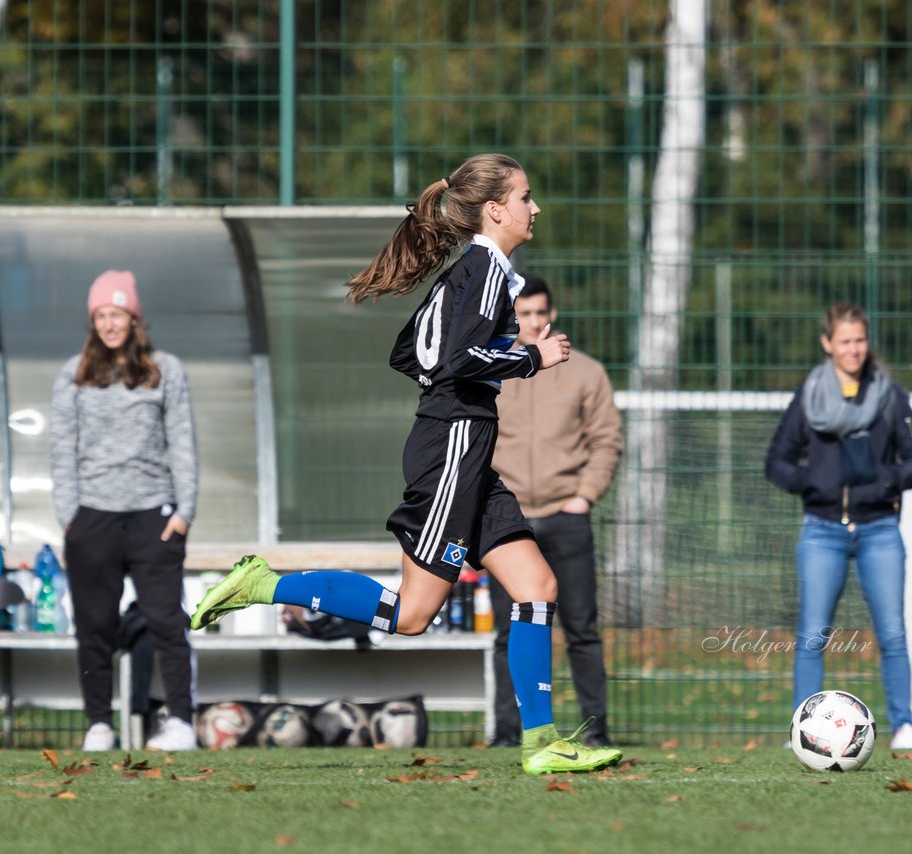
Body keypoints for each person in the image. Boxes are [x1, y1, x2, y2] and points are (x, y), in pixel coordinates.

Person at [190, 153, 622, 774]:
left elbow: (409, 352)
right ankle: (261, 584)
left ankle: (541, 744)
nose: (536, 208)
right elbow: (453, 362)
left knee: (537, 587)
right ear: (495, 209)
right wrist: (530, 356)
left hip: (466, 449)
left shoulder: (476, 272)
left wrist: (496, 353)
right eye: (526, 196)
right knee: (411, 615)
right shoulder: (485, 271)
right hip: (451, 449)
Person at [765, 301, 912, 750]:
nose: (854, 349)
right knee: (812, 634)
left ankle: (904, 726)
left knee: (893, 632)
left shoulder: (889, 395)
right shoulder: (809, 395)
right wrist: (811, 483)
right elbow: (776, 462)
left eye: (860, 340)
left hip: (880, 529)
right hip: (822, 531)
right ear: (828, 344)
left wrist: (889, 481)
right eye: (844, 341)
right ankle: (804, 730)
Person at [50, 270, 200, 752]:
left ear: (134, 318)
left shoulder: (165, 370)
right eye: (100, 316)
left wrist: (183, 511)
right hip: (92, 518)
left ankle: (180, 720)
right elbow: (62, 448)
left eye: (117, 314)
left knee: (165, 621)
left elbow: (182, 441)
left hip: (153, 518)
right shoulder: (73, 374)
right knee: (94, 626)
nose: (109, 324)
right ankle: (98, 723)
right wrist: (70, 515)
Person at [487, 276, 622, 748]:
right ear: (511, 317)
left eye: (540, 313)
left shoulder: (586, 373)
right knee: (509, 632)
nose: (533, 322)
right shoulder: (491, 370)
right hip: (508, 521)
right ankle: (507, 731)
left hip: (568, 516)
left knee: (581, 629)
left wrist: (584, 494)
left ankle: (595, 730)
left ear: (553, 314)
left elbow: (607, 439)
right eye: (523, 314)